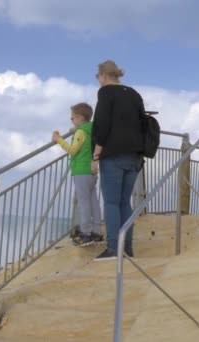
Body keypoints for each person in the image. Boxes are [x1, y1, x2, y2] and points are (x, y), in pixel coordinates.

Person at [91, 60, 145, 260]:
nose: (98, 81)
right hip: (134, 155)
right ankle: (127, 248)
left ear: (103, 75)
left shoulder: (106, 92)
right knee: (125, 202)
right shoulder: (133, 94)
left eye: (98, 77)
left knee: (112, 202)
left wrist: (96, 155)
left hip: (113, 155)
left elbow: (102, 124)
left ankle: (113, 248)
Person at [52, 103, 103, 247]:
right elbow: (85, 136)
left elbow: (73, 150)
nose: (71, 120)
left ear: (80, 118)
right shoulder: (91, 128)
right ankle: (97, 232)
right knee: (93, 201)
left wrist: (59, 140)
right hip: (92, 171)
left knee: (83, 203)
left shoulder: (80, 132)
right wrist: (76, 130)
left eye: (72, 118)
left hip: (81, 171)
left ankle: (86, 233)